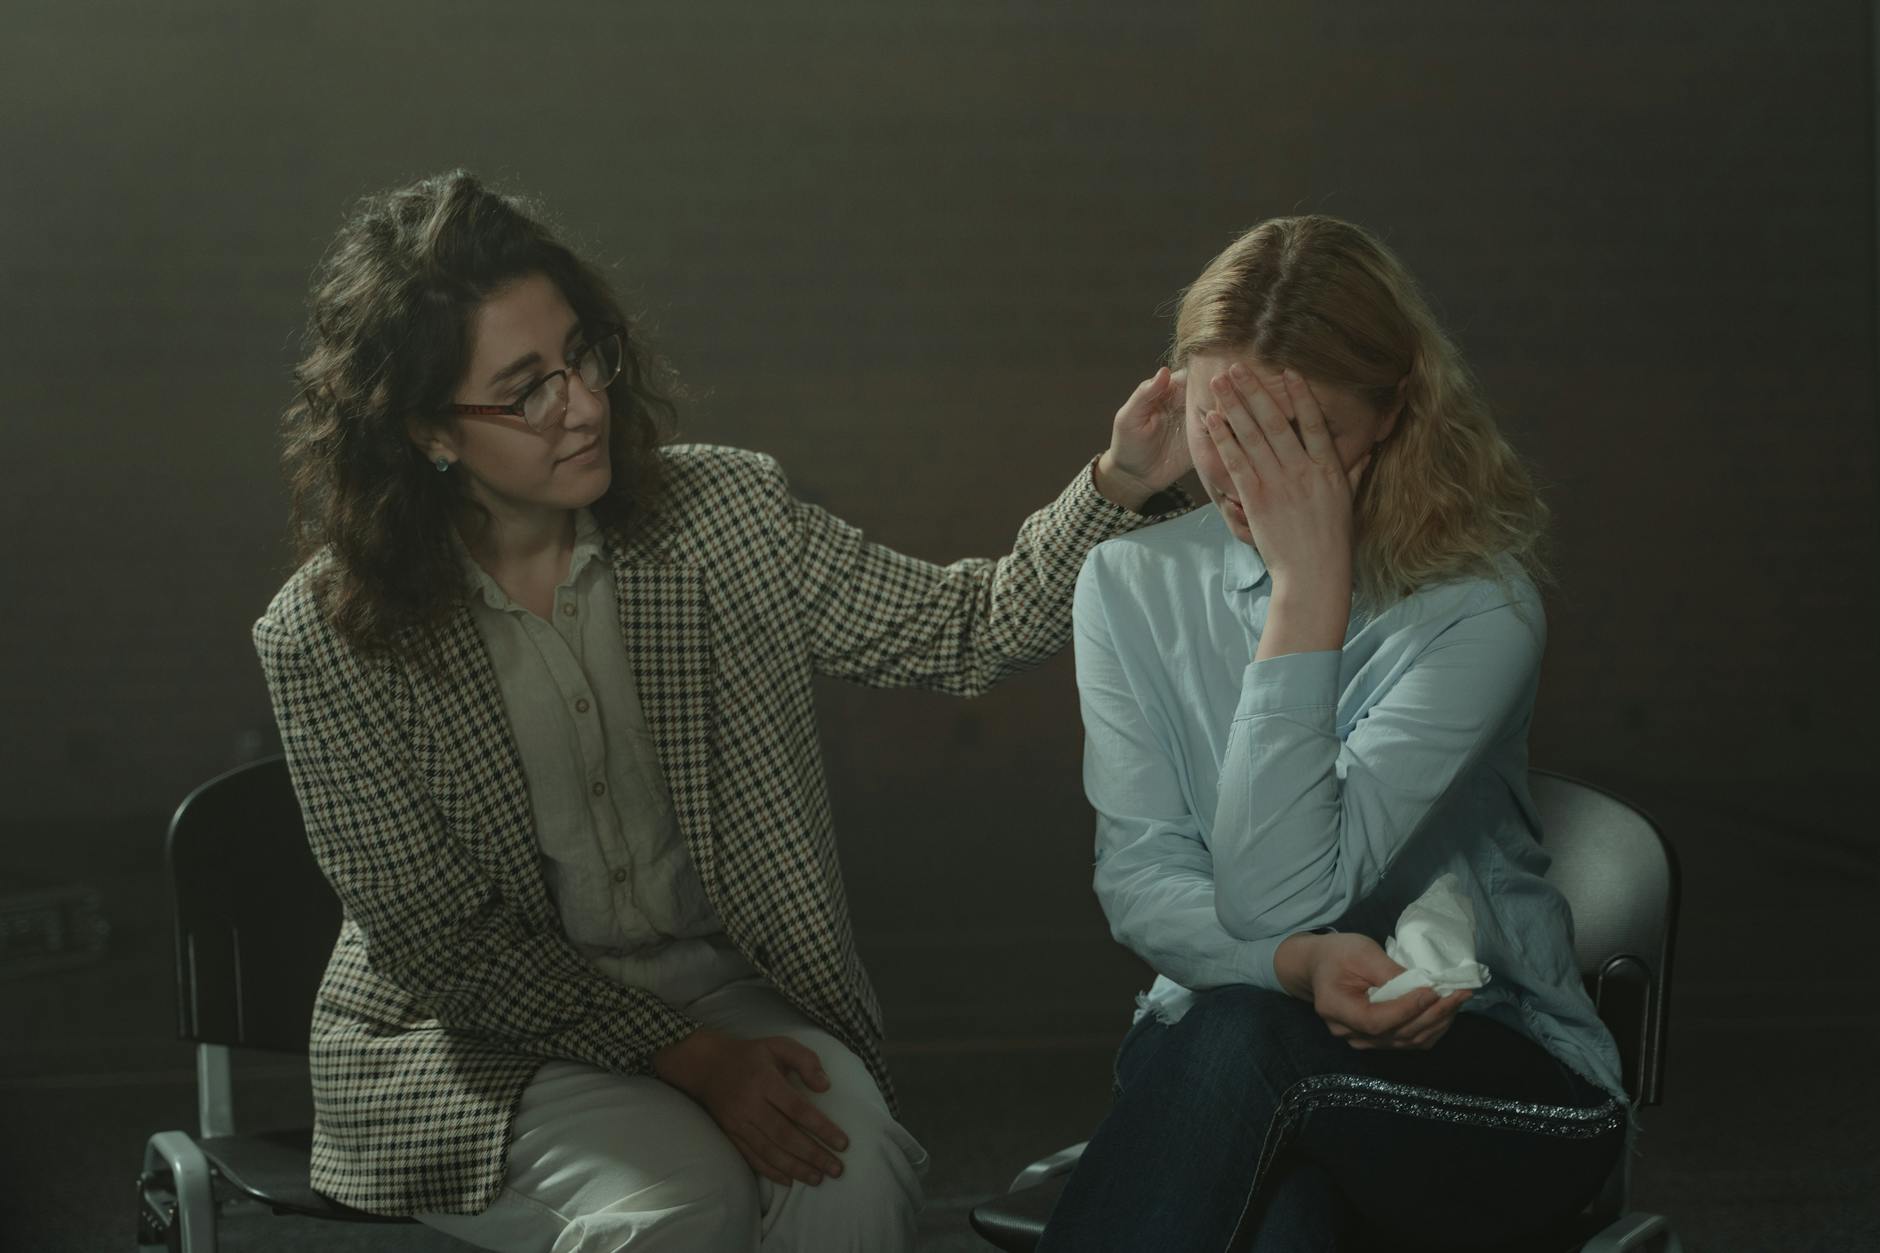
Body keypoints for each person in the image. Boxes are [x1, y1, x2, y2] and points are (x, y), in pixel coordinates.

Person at [253, 169, 1193, 1253]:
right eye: (525, 390)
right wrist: (687, 1061)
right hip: (474, 1043)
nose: (584, 403)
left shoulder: (724, 516)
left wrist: (1121, 478)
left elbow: (961, 628)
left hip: (729, 995)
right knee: (683, 1199)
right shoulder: (325, 636)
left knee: (854, 1162)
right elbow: (447, 947)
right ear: (427, 429)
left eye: (583, 356)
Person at [1036, 215, 1628, 1252]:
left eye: (1299, 437)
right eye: (1226, 428)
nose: (1246, 478)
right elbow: (1140, 878)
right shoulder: (1125, 582)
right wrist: (1296, 966)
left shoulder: (1476, 605)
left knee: (1240, 1043)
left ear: (1393, 414)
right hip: (1228, 1049)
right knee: (1281, 1212)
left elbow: (1272, 891)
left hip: (1495, 1076)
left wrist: (1306, 586)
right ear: (1178, 397)